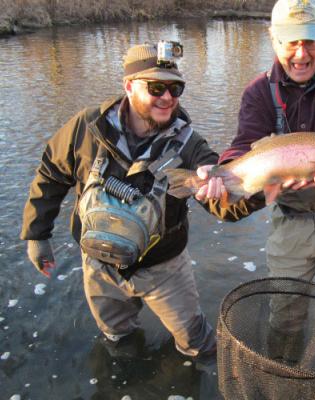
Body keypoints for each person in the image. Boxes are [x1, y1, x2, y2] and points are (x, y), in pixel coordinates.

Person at [200, 0, 315, 377]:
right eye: (290, 42)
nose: (301, 54)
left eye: (311, 42)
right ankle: (283, 377)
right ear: (273, 38)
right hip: (291, 217)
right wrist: (221, 177)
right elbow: (244, 145)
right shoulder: (257, 92)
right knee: (284, 312)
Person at [20, 41, 219, 363]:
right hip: (99, 265)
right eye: (156, 87)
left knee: (198, 344)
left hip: (164, 268)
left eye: (175, 88)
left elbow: (222, 197)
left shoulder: (190, 144)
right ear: (129, 86)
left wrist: (223, 182)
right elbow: (51, 175)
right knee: (117, 338)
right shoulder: (86, 128)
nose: (167, 97)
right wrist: (36, 235)